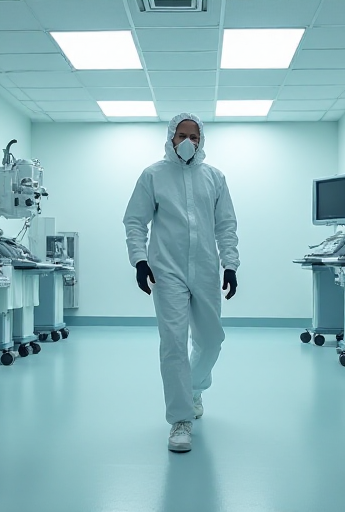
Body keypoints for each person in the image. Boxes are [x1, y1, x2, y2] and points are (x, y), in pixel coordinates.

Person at [123, 112, 239, 453]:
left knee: (212, 339)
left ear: (202, 140)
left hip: (205, 268)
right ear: (171, 137)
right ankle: (180, 420)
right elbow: (134, 221)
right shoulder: (153, 175)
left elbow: (226, 225)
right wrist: (140, 261)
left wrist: (230, 264)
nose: (188, 142)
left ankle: (194, 388)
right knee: (173, 342)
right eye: (182, 135)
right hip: (166, 269)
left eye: (195, 136)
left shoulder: (214, 178)